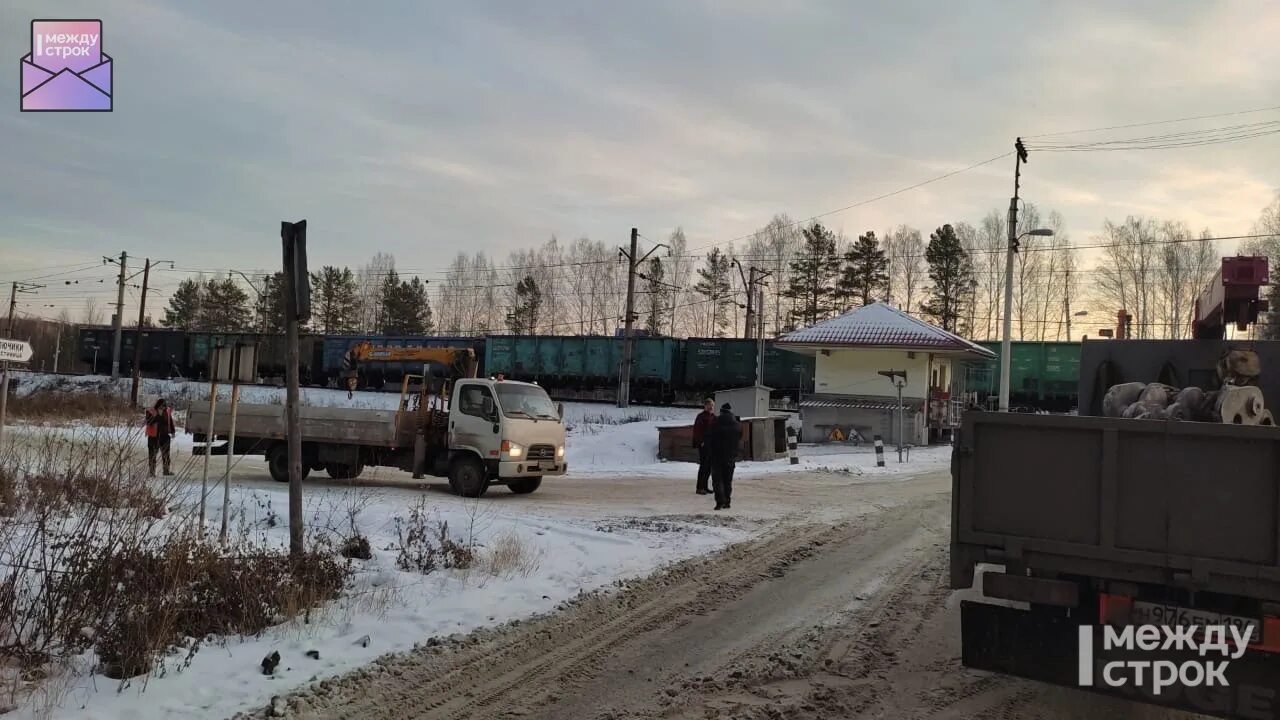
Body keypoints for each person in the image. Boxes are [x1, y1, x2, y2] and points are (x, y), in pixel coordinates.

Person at [707, 402, 741, 511]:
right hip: (730, 457)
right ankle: (727, 501)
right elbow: (739, 438)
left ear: (721, 411)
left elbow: (709, 438)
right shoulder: (737, 424)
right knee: (727, 480)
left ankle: (719, 502)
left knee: (717, 480)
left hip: (717, 457)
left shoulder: (715, 423)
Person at [691, 397, 716, 495]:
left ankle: (705, 487)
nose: (711, 407)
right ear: (705, 406)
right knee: (703, 466)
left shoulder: (713, 417)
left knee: (709, 467)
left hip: (711, 445)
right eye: (709, 405)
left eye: (712, 405)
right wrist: (700, 442)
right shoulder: (701, 417)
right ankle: (699, 487)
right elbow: (697, 430)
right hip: (704, 445)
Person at [145, 397, 176, 477]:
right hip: (153, 437)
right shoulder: (151, 411)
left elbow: (170, 421)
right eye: (161, 406)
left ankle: (166, 471)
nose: (163, 408)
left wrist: (173, 431)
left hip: (165, 436)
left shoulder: (167, 411)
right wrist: (158, 415)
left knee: (166, 455)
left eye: (164, 406)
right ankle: (152, 472)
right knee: (152, 455)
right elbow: (149, 422)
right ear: (157, 405)